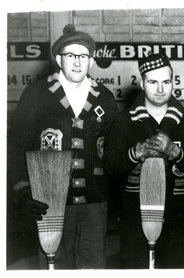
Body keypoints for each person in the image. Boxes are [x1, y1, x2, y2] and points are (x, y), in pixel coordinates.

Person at [8, 24, 119, 269]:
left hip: (94, 205)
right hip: (50, 202)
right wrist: (23, 191)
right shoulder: (36, 94)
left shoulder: (105, 97)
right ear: (59, 59)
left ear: (91, 61)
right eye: (71, 55)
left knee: (93, 269)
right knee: (54, 268)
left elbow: (113, 153)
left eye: (83, 56)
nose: (77, 62)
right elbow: (16, 148)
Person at [103, 52, 184, 269]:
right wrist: (135, 154)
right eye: (153, 82)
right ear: (142, 83)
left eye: (166, 81)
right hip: (134, 214)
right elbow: (110, 169)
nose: (160, 89)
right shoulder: (124, 120)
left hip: (176, 214)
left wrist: (175, 152)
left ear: (173, 82)